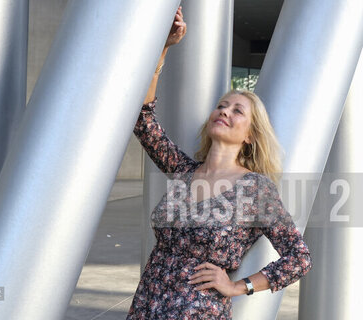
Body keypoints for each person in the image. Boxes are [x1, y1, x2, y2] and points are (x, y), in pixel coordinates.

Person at [126, 6, 313, 319]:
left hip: (198, 312)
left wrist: (238, 287)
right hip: (148, 305)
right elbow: (143, 121)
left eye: (237, 111)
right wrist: (163, 49)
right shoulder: (184, 172)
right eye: (221, 106)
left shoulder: (255, 189)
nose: (225, 111)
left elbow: (299, 258)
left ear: (251, 136)